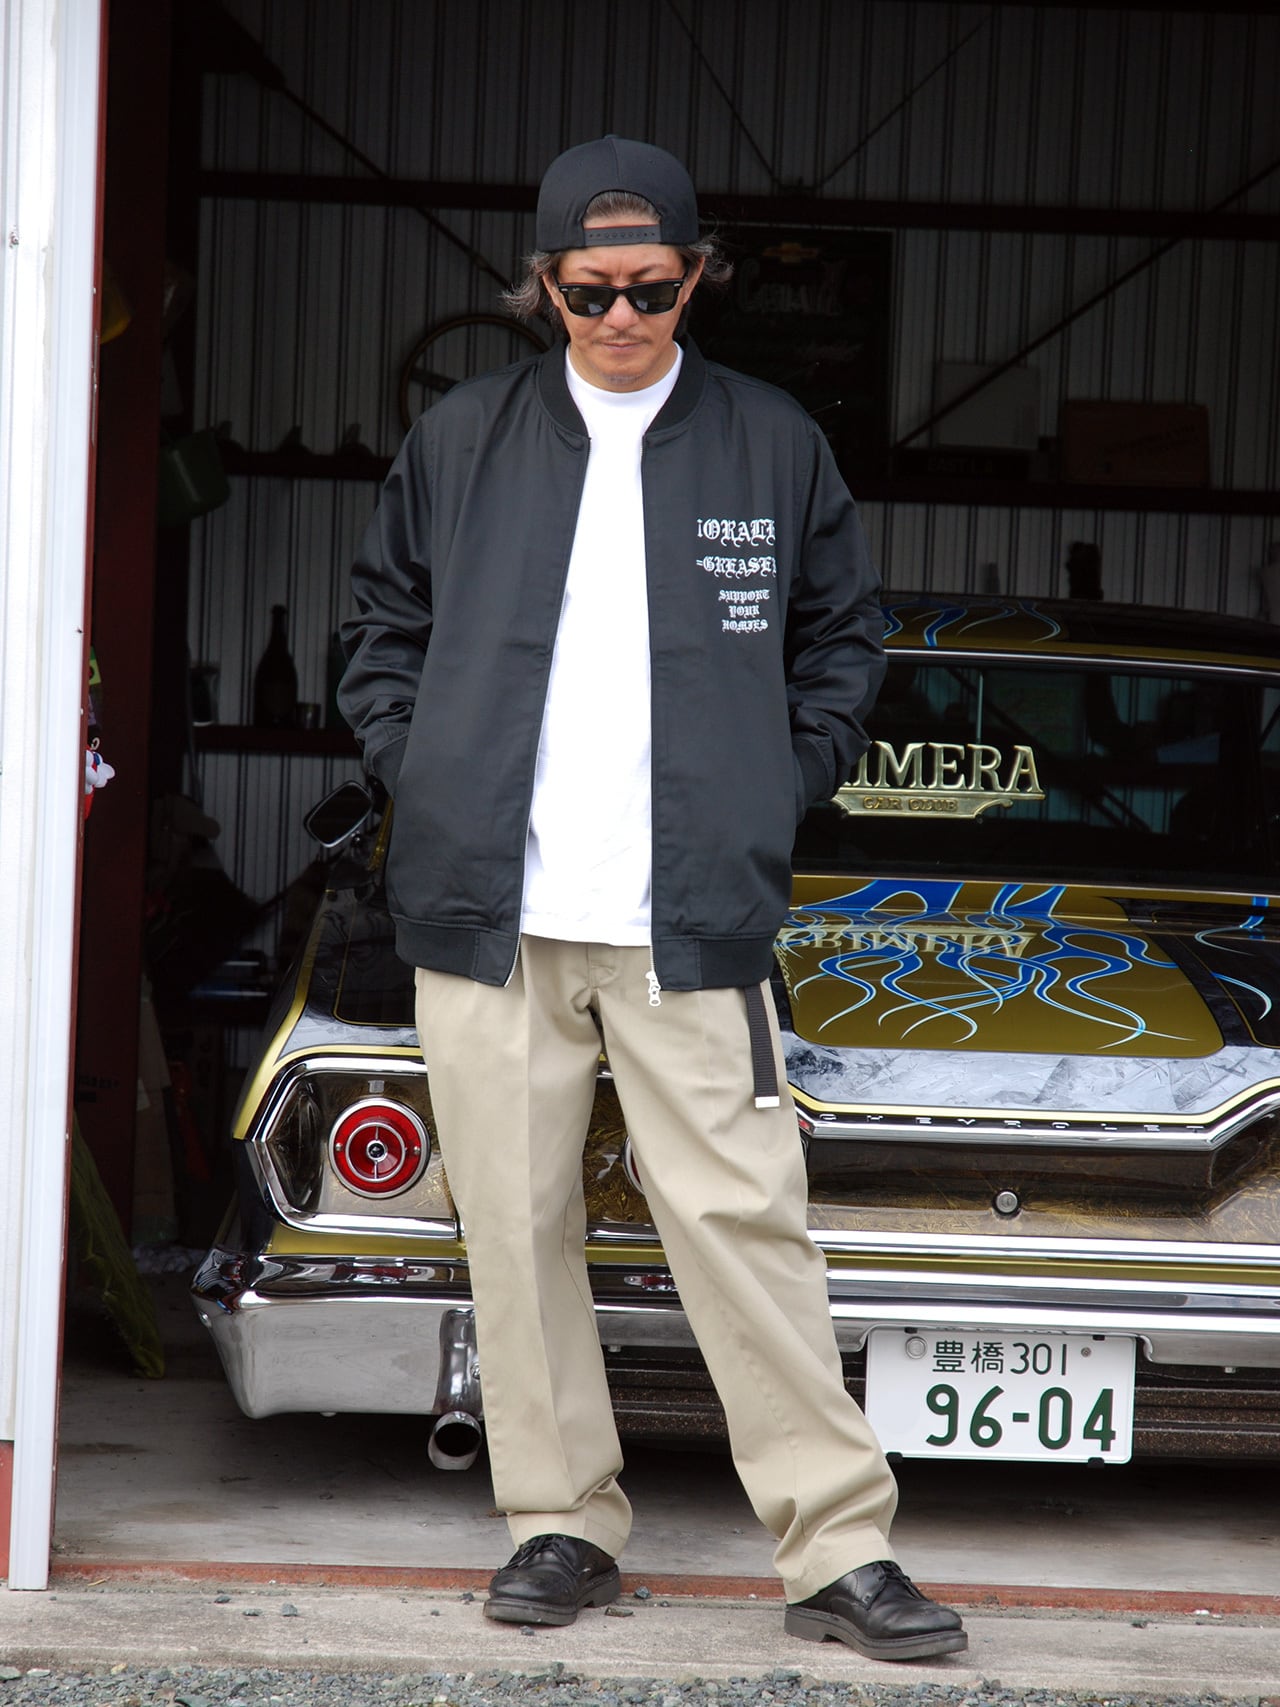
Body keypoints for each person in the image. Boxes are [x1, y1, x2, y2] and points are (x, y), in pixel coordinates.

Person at [339, 135, 966, 1664]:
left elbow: (844, 639)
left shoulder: (770, 442)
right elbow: (382, 627)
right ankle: (559, 1522)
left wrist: (776, 779)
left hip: (688, 915)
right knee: (514, 1224)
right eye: (590, 290)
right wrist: (425, 770)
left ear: (698, 280)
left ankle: (838, 1547)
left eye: (652, 287)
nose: (621, 316)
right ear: (542, 287)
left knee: (745, 1221)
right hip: (493, 914)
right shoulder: (465, 437)